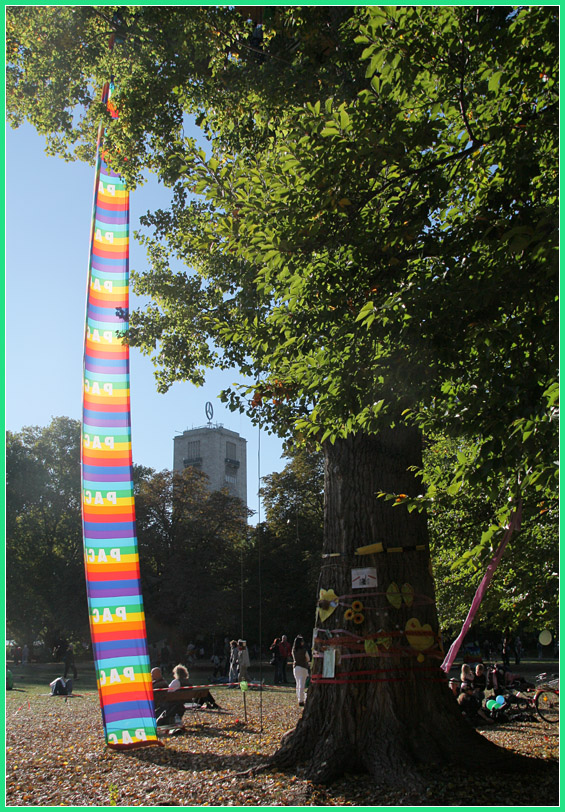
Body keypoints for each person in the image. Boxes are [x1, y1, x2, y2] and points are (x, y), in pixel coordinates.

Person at [291, 635, 310, 706]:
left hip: (296, 668)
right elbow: (308, 659)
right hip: (303, 667)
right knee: (302, 684)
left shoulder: (293, 650)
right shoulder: (304, 650)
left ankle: (299, 698)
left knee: (298, 684)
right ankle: (301, 700)